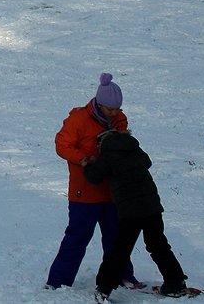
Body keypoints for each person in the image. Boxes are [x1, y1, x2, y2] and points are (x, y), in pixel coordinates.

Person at [46, 73, 141, 291]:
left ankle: (123, 276)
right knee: (77, 237)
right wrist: (83, 159)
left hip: (112, 192)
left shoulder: (119, 120)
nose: (115, 112)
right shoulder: (78, 120)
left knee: (117, 238)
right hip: (85, 192)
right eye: (110, 109)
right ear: (99, 103)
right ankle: (58, 281)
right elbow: (62, 145)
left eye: (117, 108)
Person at [85, 129, 190, 301]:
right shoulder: (134, 149)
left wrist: (88, 165)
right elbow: (147, 162)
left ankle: (104, 288)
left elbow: (94, 177)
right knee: (158, 245)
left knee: (120, 249)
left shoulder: (108, 155)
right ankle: (175, 282)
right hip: (152, 206)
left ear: (101, 144)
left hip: (130, 210)